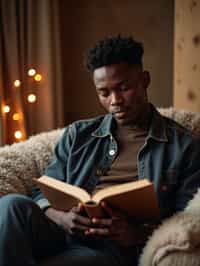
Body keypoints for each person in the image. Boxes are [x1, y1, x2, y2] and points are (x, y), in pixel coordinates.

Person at [1, 35, 200, 266]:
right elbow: (42, 192)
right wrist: (61, 218)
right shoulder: (79, 134)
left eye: (123, 88)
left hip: (113, 248)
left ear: (144, 80)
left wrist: (135, 234)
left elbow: (187, 221)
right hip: (62, 232)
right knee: (10, 205)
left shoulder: (184, 146)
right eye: (104, 93)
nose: (115, 100)